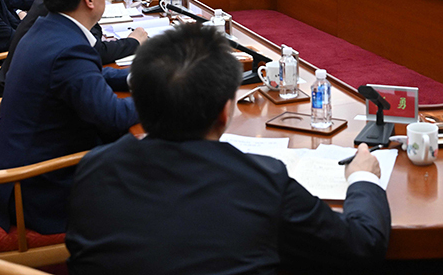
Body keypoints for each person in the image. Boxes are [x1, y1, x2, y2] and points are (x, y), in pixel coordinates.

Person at [65, 23, 390, 275]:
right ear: (225, 112)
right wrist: (362, 177)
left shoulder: (93, 169)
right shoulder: (262, 181)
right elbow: (361, 245)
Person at [0, 0, 139, 235]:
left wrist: (139, 77)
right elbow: (113, 116)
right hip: (36, 189)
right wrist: (166, 93)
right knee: (156, 180)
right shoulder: (68, 48)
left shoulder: (49, 26)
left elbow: (89, 76)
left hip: (21, 167)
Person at [0, 0, 146, 99]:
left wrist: (142, 77)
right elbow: (113, 110)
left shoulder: (54, 9)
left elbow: (84, 70)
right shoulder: (66, 39)